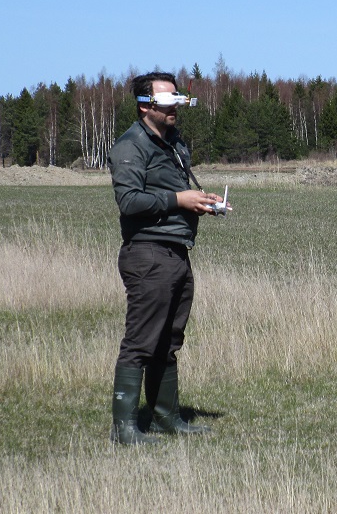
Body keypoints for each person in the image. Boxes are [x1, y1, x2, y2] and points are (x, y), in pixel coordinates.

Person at [107, 71, 224, 445]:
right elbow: (129, 202)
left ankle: (166, 418)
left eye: (177, 98)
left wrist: (200, 202)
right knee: (141, 341)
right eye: (167, 99)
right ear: (145, 105)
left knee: (168, 339)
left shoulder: (173, 143)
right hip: (148, 254)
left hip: (176, 253)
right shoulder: (131, 146)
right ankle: (124, 428)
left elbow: (172, 194)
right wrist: (179, 199)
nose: (175, 105)